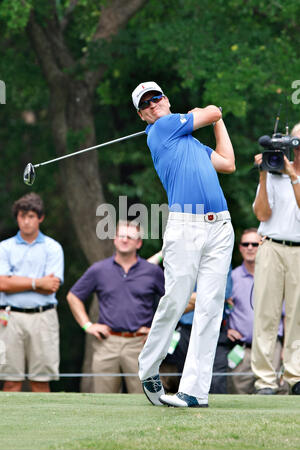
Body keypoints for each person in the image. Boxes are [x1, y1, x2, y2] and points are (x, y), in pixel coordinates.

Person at [132, 81, 235, 407]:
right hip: (185, 226)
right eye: (145, 104)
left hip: (220, 226)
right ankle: (149, 367)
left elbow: (227, 163)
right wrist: (212, 114)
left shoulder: (190, 143)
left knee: (209, 308)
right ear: (142, 116)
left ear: (166, 98)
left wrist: (216, 122)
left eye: (156, 97)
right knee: (176, 299)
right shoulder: (161, 129)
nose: (153, 104)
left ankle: (194, 391)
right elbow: (214, 110)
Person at [66, 220, 165, 394]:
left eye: (130, 236)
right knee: (104, 403)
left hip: (139, 344)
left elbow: (172, 302)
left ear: (139, 243)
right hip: (106, 343)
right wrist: (87, 325)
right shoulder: (99, 270)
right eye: (121, 235)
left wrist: (157, 329)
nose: (124, 240)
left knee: (143, 400)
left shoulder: (152, 271)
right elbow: (73, 296)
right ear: (114, 239)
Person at [251, 122, 300, 395]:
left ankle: (296, 376)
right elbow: (261, 215)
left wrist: (293, 175)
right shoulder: (273, 172)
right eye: (296, 141)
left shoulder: (289, 173)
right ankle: (265, 380)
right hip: (271, 245)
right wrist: (263, 175)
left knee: (298, 317)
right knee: (266, 315)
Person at [0, 193, 64, 392]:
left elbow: (52, 286)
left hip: (43, 317)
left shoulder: (53, 248)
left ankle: (45, 424)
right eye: (21, 216)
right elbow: (2, 283)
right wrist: (38, 282)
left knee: (40, 381)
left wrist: (15, 281)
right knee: (10, 381)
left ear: (40, 218)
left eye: (31, 216)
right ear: (17, 218)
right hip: (9, 317)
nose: (26, 221)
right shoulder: (4, 247)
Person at [227, 228, 286, 394]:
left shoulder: (277, 277)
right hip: (242, 350)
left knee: (274, 395)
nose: (250, 247)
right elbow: (221, 310)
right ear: (240, 248)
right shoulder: (231, 278)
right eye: (246, 244)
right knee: (238, 397)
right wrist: (227, 329)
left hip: (272, 348)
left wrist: (286, 348)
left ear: (262, 247)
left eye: (255, 244)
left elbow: (287, 315)